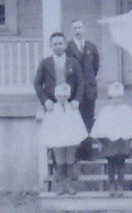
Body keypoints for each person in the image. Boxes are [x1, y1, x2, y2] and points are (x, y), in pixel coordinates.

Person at [33, 32, 84, 192]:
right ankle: (61, 183)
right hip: (54, 109)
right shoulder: (45, 63)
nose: (58, 46)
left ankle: (70, 182)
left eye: (60, 43)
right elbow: (37, 83)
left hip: (69, 109)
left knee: (70, 143)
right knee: (57, 143)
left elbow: (81, 83)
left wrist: (76, 100)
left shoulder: (73, 62)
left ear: (65, 44)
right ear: (50, 46)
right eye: (54, 44)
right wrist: (46, 101)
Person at [89, 81, 132, 197]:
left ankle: (120, 184)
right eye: (113, 98)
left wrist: (131, 139)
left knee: (121, 165)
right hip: (109, 142)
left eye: (119, 98)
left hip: (122, 142)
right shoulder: (105, 111)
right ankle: (111, 184)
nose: (116, 101)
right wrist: (100, 141)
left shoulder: (126, 110)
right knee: (111, 165)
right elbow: (99, 127)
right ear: (109, 98)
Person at [39, 83, 88, 195]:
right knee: (60, 162)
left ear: (68, 96)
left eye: (64, 96)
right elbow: (48, 125)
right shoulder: (53, 109)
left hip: (71, 139)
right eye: (60, 96)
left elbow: (78, 124)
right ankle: (62, 185)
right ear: (56, 96)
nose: (62, 99)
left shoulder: (72, 108)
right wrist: (49, 138)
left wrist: (79, 138)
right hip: (58, 140)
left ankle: (70, 184)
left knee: (70, 161)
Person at [65, 18, 100, 160]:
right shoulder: (69, 48)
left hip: (89, 90)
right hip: (75, 91)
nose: (78, 31)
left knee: (88, 120)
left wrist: (89, 82)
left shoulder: (91, 47)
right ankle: (77, 153)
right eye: (75, 28)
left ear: (84, 29)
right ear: (72, 30)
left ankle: (88, 151)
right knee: (76, 121)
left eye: (80, 28)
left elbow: (95, 67)